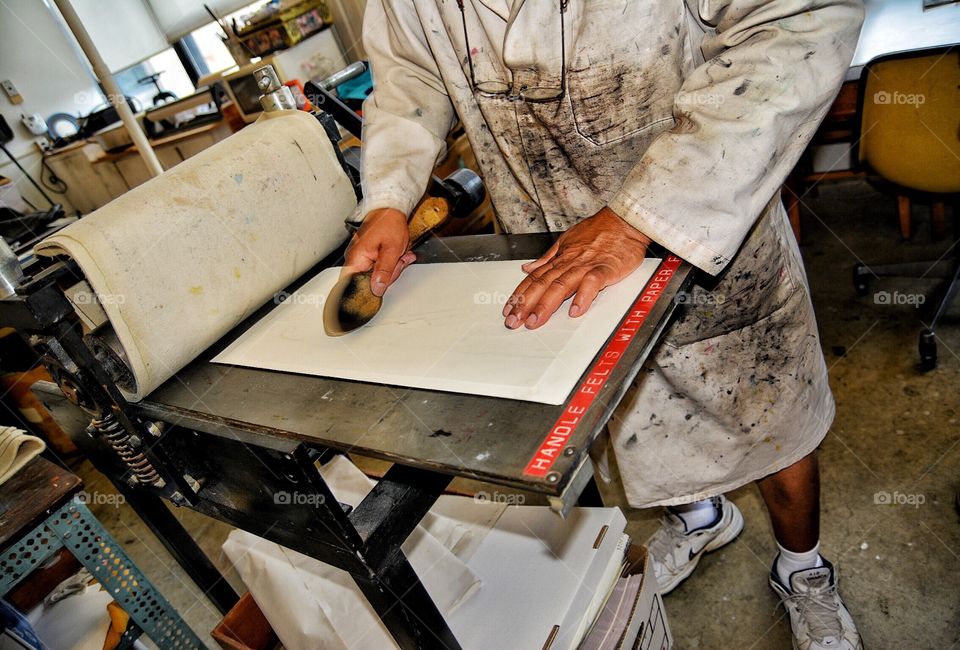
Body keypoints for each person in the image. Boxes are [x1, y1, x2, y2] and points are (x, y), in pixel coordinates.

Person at [345, 2, 864, 648]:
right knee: (640, 416)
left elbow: (797, 22)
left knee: (771, 422)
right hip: (562, 249)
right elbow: (408, 75)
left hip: (705, 213)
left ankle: (803, 568)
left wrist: (639, 214)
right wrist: (390, 199)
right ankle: (701, 516)